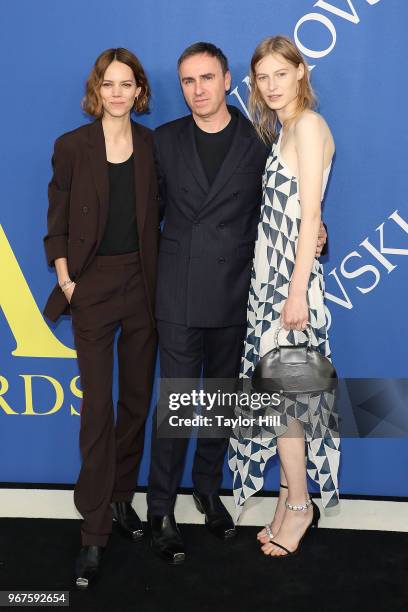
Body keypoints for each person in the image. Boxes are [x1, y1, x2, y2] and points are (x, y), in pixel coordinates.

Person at [147, 42, 328, 565]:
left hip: (238, 291)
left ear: (229, 81)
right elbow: (144, 216)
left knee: (223, 401)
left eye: (207, 78)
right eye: (187, 81)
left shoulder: (260, 139)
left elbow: (287, 205)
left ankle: (207, 488)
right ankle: (161, 508)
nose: (198, 89)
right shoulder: (163, 141)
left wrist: (320, 236)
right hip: (178, 290)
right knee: (178, 403)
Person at [43, 48, 159, 587]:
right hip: (91, 287)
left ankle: (119, 500)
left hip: (142, 285)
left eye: (126, 83)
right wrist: (68, 280)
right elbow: (58, 220)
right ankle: (92, 531)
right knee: (98, 411)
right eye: (108, 83)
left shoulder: (152, 146)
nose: (117, 92)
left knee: (136, 401)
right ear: (98, 89)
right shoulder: (71, 146)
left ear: (139, 90)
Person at [228, 35, 340, 558]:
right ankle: (286, 499)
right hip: (269, 282)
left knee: (288, 402)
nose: (270, 86)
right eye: (262, 77)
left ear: (300, 72)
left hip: (288, 288)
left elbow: (310, 215)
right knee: (278, 400)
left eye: (280, 73)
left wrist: (296, 294)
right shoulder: (285, 130)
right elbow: (297, 216)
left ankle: (300, 505)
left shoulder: (310, 126)